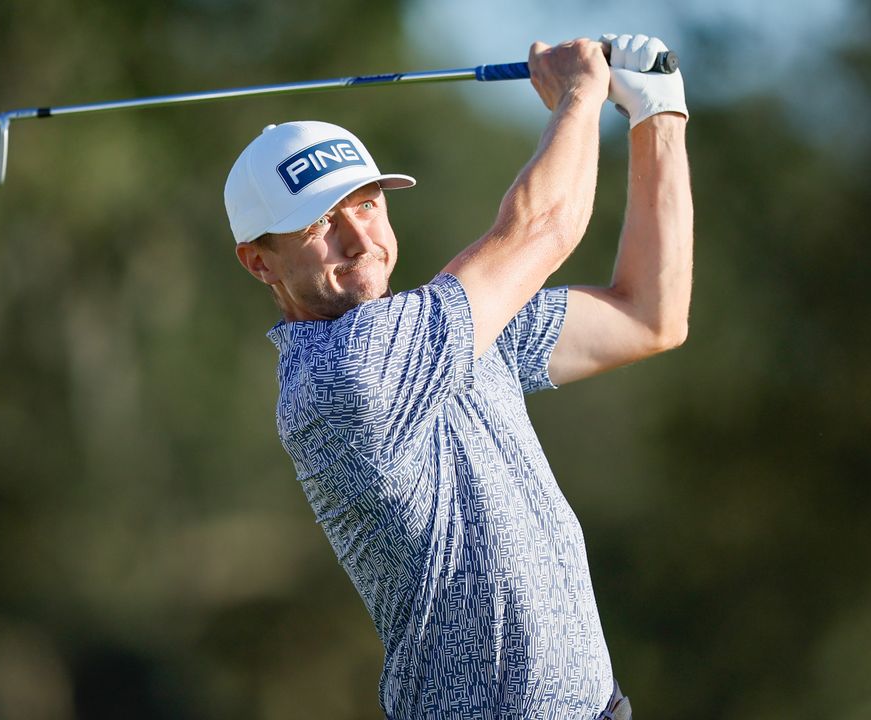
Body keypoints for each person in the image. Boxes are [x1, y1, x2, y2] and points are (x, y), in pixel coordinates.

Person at [223, 32, 692, 720]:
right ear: (260, 263)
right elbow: (543, 231)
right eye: (320, 222)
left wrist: (660, 119)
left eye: (367, 203)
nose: (359, 237)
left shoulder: (448, 337)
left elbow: (650, 315)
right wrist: (580, 93)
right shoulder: (346, 375)